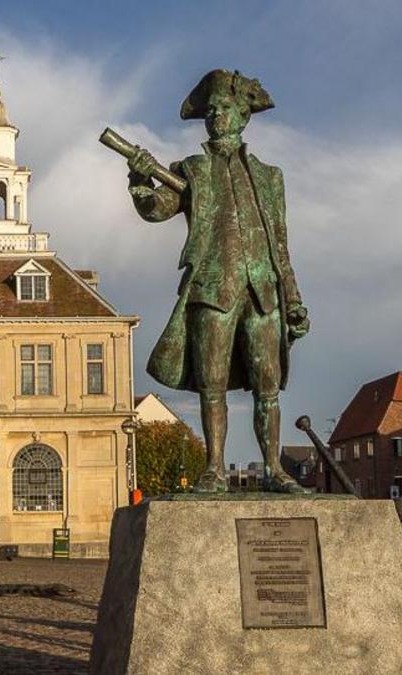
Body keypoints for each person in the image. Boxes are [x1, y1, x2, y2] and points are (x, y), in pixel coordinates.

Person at [126, 69, 310, 493]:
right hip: (213, 290)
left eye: (223, 109)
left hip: (264, 293)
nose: (215, 117)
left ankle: (275, 470)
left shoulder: (270, 177)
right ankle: (213, 468)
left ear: (243, 115)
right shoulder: (190, 169)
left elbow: (280, 244)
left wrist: (294, 299)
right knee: (212, 384)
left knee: (268, 386)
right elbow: (156, 209)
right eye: (209, 111)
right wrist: (139, 180)